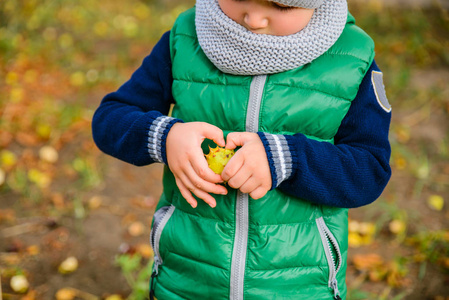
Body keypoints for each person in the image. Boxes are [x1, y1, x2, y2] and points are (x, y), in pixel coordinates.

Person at [92, 0, 392, 298]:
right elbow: (110, 119)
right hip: (188, 278)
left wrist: (287, 159)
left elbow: (369, 169)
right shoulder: (186, 37)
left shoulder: (352, 58)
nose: (253, 18)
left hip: (298, 285)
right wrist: (165, 137)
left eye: (280, 6)